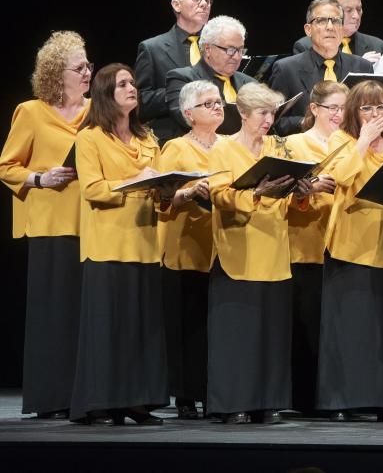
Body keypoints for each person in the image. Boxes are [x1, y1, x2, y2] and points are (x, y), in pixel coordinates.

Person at [316, 80, 383, 423]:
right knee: (350, 330)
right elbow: (340, 178)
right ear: (353, 112)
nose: (375, 114)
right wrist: (363, 141)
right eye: (366, 108)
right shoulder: (341, 140)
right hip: (352, 246)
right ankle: (342, 400)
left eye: (380, 108)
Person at [70, 64, 173, 426]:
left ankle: (137, 400)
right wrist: (137, 179)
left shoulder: (148, 139)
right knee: (109, 326)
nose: (132, 89)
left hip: (145, 244)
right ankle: (102, 400)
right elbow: (93, 190)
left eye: (133, 83)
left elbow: (159, 193)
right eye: (123, 84)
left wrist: (169, 190)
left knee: (141, 327)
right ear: (105, 94)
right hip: (108, 245)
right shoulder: (90, 138)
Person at [206, 83, 312, 425]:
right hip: (240, 246)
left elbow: (292, 199)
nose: (268, 120)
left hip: (274, 246)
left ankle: (268, 400)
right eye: (262, 114)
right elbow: (219, 195)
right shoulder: (223, 150)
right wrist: (256, 193)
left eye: (272, 113)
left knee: (271, 330)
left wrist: (300, 192)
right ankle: (233, 401)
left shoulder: (277, 148)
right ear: (243, 114)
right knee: (239, 331)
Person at [0, 31, 91, 420]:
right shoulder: (31, 112)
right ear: (57, 73)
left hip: (93, 222)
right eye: (80, 67)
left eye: (89, 65)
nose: (89, 72)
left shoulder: (97, 112)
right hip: (51, 222)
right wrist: (40, 178)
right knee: (52, 313)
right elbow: (7, 166)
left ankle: (85, 396)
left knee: (85, 314)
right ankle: (50, 398)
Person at [156, 81, 223, 420]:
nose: (217, 107)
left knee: (216, 325)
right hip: (186, 245)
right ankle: (186, 393)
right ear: (188, 114)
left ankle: (216, 392)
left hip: (222, 246)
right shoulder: (174, 148)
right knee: (188, 323)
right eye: (208, 103)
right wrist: (191, 190)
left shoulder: (230, 145)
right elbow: (165, 197)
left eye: (219, 101)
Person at [282, 81, 344, 415]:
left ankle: (333, 397)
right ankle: (304, 399)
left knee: (334, 328)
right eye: (332, 108)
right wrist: (310, 188)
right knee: (306, 325)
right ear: (315, 109)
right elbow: (282, 190)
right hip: (304, 243)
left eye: (344, 109)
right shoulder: (294, 143)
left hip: (343, 245)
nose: (339, 114)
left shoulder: (351, 144)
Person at [270, 0, 373, 135]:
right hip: (305, 150)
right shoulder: (286, 69)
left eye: (335, 21)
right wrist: (311, 122)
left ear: (342, 29)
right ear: (308, 30)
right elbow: (274, 121)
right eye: (322, 21)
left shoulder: (362, 67)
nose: (330, 27)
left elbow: (370, 112)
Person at [136, 0, 213, 143]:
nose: (204, 3)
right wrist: (178, 92)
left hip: (218, 137)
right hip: (173, 138)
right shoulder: (152, 48)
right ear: (176, 4)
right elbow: (141, 102)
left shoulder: (218, 47)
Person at [165, 15, 255, 136]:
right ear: (208, 49)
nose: (237, 57)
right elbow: (191, 121)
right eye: (230, 50)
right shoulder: (182, 79)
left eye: (240, 50)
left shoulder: (251, 83)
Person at [293, 0, 383, 63]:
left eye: (359, 9)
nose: (356, 16)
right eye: (348, 10)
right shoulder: (305, 46)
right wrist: (361, 66)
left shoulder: (377, 45)